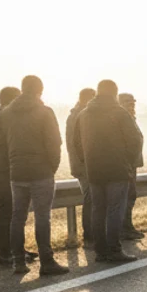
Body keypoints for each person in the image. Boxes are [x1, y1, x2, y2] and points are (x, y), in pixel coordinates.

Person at [0, 76, 68, 275]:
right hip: (41, 172)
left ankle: (18, 262)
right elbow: (54, 143)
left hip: (16, 174)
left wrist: (11, 166)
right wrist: (51, 167)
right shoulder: (45, 112)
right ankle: (46, 262)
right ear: (40, 90)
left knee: (17, 217)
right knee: (42, 217)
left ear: (22, 89)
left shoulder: (5, 114)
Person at [72, 80, 143, 263]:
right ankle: (114, 250)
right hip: (117, 169)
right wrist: (128, 161)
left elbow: (76, 142)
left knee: (98, 210)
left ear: (98, 92)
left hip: (94, 170)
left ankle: (100, 251)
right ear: (115, 93)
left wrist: (86, 161)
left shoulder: (84, 114)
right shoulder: (120, 113)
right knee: (115, 210)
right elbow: (136, 140)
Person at [0, 86, 23, 267]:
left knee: (12, 212)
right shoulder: (1, 118)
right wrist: (5, 170)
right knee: (7, 212)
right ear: (11, 99)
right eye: (18, 97)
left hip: (3, 171)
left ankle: (14, 249)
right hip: (5, 172)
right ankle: (6, 253)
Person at [66, 88, 96, 242]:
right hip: (83, 165)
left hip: (83, 164)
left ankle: (92, 233)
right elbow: (76, 144)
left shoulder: (78, 114)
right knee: (90, 198)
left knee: (92, 198)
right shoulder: (79, 116)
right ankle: (89, 235)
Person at [117, 92, 146, 240]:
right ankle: (125, 228)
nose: (132, 105)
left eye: (133, 103)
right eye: (128, 102)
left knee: (130, 196)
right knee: (126, 198)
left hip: (131, 164)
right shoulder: (122, 119)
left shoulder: (130, 118)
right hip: (126, 165)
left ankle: (127, 226)